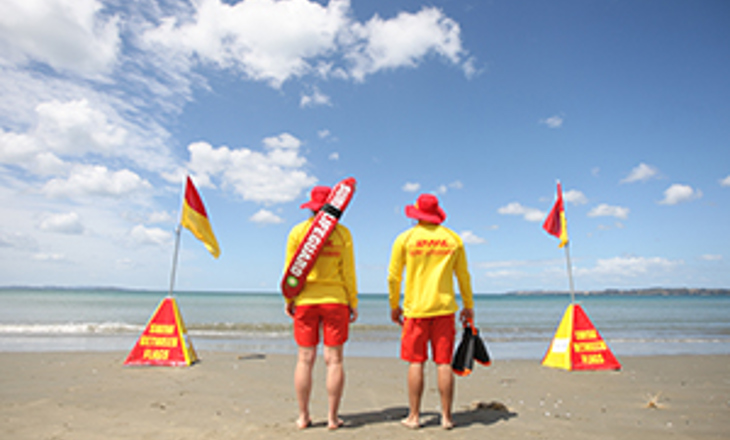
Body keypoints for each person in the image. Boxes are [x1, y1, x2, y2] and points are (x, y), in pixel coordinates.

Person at [387, 193, 475, 430]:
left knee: (416, 362)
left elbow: (394, 277)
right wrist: (469, 305)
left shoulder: (406, 238)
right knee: (443, 362)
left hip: (416, 310)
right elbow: (463, 276)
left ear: (416, 214)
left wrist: (394, 305)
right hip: (444, 309)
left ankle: (414, 417)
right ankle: (446, 417)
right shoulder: (452, 239)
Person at [283, 185, 359, 430]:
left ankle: (303, 417)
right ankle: (332, 418)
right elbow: (348, 273)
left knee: (305, 359)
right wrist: (352, 302)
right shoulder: (343, 233)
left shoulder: (298, 231)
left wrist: (289, 300)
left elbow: (291, 271)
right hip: (335, 300)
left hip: (305, 301)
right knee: (334, 360)